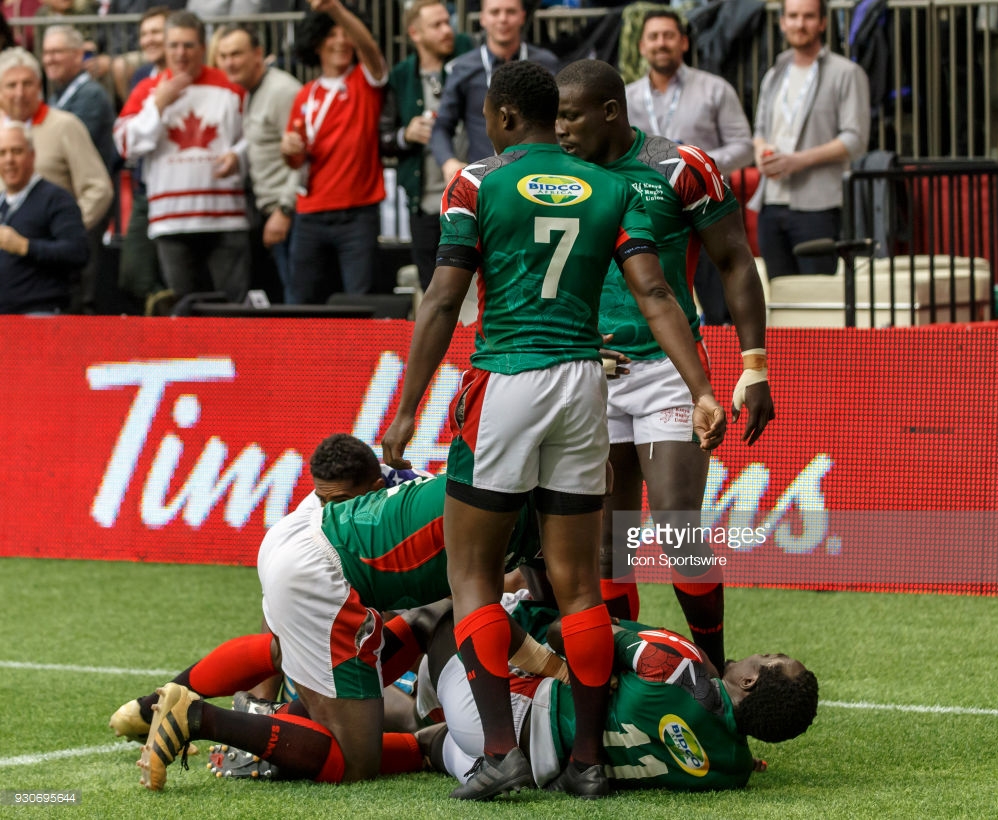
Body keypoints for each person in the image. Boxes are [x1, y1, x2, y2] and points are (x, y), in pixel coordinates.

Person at [381, 59, 726, 801]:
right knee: (578, 583)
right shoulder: (609, 188)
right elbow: (658, 289)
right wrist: (702, 386)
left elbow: (443, 299)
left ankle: (501, 753)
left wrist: (406, 407)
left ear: (503, 118)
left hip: (507, 375)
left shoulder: (477, 182)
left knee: (471, 572)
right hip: (582, 384)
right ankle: (590, 761)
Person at [554, 59, 774, 675]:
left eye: (571, 117)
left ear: (610, 111)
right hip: (583, 373)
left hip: (666, 371)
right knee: (604, 549)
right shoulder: (550, 175)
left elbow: (734, 260)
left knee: (678, 526)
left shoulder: (681, 166)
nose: (561, 131)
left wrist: (753, 365)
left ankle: (715, 681)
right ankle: (624, 685)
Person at [127, 472, 543, 790]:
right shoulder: (527, 510)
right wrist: (550, 661)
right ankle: (199, 716)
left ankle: (155, 707)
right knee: (358, 755)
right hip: (325, 577)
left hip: (300, 547)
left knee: (416, 628)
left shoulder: (480, 479)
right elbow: (504, 600)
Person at [427, 601, 819, 792]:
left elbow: (564, 632)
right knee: (430, 742)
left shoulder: (679, 664)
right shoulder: (735, 771)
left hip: (510, 719)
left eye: (769, 657)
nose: (760, 652)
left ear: (749, 682)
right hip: (541, 772)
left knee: (451, 614)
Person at [625, 7, 753, 325]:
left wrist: (694, 167)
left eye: (669, 36)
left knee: (719, 308)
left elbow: (745, 147)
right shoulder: (626, 98)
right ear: (642, 46)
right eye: (653, 37)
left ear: (683, 42)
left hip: (704, 210)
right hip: (648, 212)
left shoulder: (715, 89)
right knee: (654, 302)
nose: (661, 43)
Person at [114, 9, 250, 305]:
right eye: (174, 45)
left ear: (203, 48)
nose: (181, 53)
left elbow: (252, 139)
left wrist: (238, 156)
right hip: (171, 220)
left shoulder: (230, 86)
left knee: (233, 311)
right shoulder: (148, 90)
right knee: (185, 314)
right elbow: (125, 144)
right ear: (164, 47)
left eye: (189, 45)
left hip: (224, 219)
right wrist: (158, 106)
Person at [750, 0, 870, 279]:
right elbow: (759, 132)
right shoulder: (774, 73)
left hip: (819, 205)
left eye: (808, 16)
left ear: (823, 23)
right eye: (792, 16)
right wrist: (761, 153)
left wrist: (797, 161)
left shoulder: (846, 73)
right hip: (771, 203)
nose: (799, 24)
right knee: (781, 298)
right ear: (782, 22)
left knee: (817, 298)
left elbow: (855, 139)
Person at [281, 0, 388, 302]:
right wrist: (288, 148)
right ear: (316, 42)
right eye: (331, 34)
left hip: (357, 213)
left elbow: (370, 50)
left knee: (360, 301)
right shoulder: (306, 94)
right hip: (309, 214)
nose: (341, 41)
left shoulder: (365, 80)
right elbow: (295, 162)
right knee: (300, 301)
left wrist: (335, 9)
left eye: (347, 34)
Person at [0, 46, 113, 310]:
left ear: (39, 86)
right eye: (11, 85)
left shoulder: (65, 125)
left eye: (27, 83)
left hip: (50, 276)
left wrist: (66, 228)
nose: (19, 92)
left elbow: (99, 188)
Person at [379, 0, 472, 291]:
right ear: (415, 33)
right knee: (431, 287)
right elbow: (382, 138)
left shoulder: (470, 61)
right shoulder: (402, 75)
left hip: (472, 199)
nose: (448, 30)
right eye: (437, 25)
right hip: (424, 203)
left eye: (448, 22)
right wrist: (406, 134)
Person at [216, 24, 301, 303]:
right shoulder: (252, 90)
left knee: (297, 299)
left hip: (291, 212)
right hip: (273, 209)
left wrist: (285, 210)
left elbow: (305, 155)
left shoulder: (281, 91)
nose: (230, 62)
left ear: (258, 54)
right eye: (224, 55)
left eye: (237, 54)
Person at [429, 0, 560, 181]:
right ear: (482, 18)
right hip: (485, 182)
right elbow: (442, 125)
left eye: (510, 12)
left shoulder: (546, 63)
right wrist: (448, 162)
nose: (503, 19)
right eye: (495, 12)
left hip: (539, 179)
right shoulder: (464, 68)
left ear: (522, 17)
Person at [41, 24, 118, 314]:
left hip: (86, 208)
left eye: (57, 52)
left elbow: (63, 150)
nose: (49, 59)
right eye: (46, 53)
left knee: (83, 288)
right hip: (65, 210)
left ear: (78, 55)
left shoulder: (90, 96)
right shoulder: (59, 96)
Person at [0, 121, 88, 313]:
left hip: (40, 316)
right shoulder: (2, 203)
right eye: (2, 153)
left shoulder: (56, 198)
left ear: (32, 156)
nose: (9, 160)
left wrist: (25, 246)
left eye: (16, 151)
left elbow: (78, 252)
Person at [116, 6, 171, 312]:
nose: (150, 39)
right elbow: (127, 136)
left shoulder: (196, 76)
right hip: (145, 190)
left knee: (179, 271)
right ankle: (165, 316)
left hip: (183, 194)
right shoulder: (140, 77)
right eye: (145, 33)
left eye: (157, 32)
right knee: (133, 274)